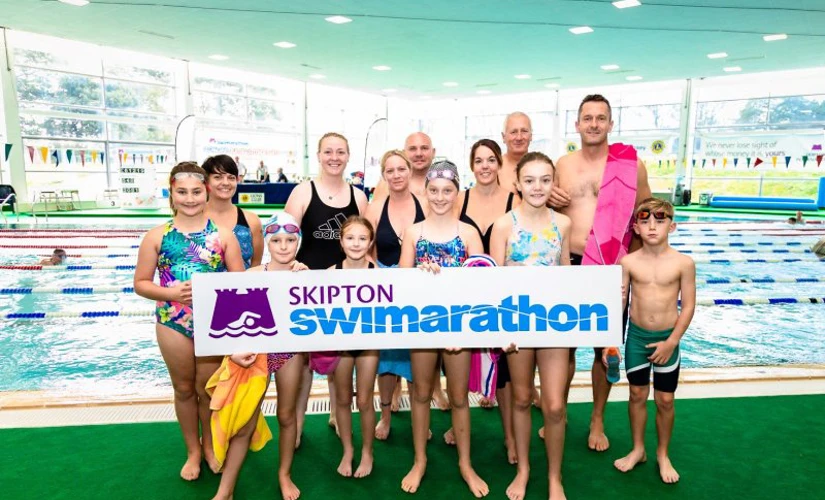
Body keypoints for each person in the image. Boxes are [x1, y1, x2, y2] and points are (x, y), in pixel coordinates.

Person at [550, 94, 652, 452]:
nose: (594, 124)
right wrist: (549, 198)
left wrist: (630, 271)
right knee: (562, 347)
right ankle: (557, 412)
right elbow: (541, 209)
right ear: (577, 125)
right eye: (587, 118)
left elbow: (645, 217)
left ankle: (597, 418)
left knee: (602, 349)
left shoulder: (630, 165)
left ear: (611, 124)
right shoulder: (563, 164)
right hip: (571, 264)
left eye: (601, 118)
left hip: (611, 267)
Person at [133, 162, 245, 480]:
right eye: (182, 192)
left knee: (207, 389)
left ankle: (209, 446)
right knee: (183, 389)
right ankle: (192, 451)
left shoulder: (223, 236)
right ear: (171, 193)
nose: (190, 198)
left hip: (214, 323)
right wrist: (169, 293)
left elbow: (239, 285)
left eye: (196, 191)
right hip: (172, 321)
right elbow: (140, 283)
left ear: (205, 192)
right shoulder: (157, 237)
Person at [398, 160, 488, 497]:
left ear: (458, 193)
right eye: (433, 190)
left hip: (460, 326)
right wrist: (420, 272)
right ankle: (420, 459)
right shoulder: (414, 232)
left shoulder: (469, 233)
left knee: (459, 396)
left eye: (447, 191)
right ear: (424, 191)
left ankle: (465, 463)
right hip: (423, 323)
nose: (439, 197)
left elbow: (483, 282)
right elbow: (401, 283)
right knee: (420, 393)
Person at [489, 152, 572, 500]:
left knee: (554, 405)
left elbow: (568, 275)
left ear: (554, 182)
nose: (537, 187)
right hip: (516, 327)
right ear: (517, 183)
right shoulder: (504, 226)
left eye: (545, 179)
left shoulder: (563, 224)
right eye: (530, 180)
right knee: (522, 399)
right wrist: (499, 331)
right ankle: (523, 469)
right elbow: (491, 283)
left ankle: (555, 477)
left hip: (554, 324)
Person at [210, 212, 308, 500]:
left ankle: (284, 474)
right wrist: (232, 352)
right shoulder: (251, 276)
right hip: (257, 353)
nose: (283, 246)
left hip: (289, 352)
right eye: (276, 240)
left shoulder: (304, 275)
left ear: (298, 243)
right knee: (246, 420)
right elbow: (225, 319)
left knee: (287, 416)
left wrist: (304, 279)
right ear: (267, 242)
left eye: (290, 240)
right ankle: (225, 489)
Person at [284, 132, 368, 445]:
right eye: (328, 151)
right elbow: (285, 238)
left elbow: (365, 242)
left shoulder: (358, 197)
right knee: (305, 359)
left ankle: (335, 411)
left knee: (341, 354)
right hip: (308, 287)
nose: (334, 157)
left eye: (341, 152)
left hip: (344, 287)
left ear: (348, 156)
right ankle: (299, 420)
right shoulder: (304, 192)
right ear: (319, 155)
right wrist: (288, 269)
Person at [611, 197, 695, 484]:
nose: (651, 226)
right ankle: (638, 449)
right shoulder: (629, 261)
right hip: (636, 338)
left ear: (672, 226)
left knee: (665, 400)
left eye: (659, 221)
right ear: (635, 227)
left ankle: (662, 453)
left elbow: (689, 307)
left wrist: (671, 342)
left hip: (667, 339)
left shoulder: (684, 263)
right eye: (645, 221)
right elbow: (620, 302)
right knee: (636, 395)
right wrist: (612, 340)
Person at [444, 139, 519, 461]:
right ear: (472, 165)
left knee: (505, 369)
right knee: (457, 360)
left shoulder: (515, 200)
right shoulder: (460, 199)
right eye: (479, 160)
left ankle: (510, 436)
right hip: (464, 292)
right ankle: (456, 424)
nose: (485, 166)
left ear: (499, 164)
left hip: (502, 290)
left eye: (491, 159)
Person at [364, 150, 426, 440]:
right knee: (386, 360)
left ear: (410, 170)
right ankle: (385, 415)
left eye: (402, 169)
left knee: (419, 356)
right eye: (391, 171)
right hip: (386, 290)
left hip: (421, 290)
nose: (397, 175)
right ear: (384, 175)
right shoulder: (375, 208)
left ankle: (420, 418)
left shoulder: (426, 202)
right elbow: (368, 253)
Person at [327, 215, 380, 478]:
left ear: (370, 242)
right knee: (343, 398)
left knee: (365, 399)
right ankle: (348, 449)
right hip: (342, 345)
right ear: (341, 241)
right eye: (350, 238)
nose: (356, 244)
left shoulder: (378, 274)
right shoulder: (330, 273)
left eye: (362, 238)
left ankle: (367, 451)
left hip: (369, 345)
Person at [203, 154, 264, 269]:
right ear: (206, 181)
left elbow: (256, 267)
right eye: (218, 177)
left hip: (240, 286)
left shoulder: (251, 221)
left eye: (231, 178)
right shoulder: (193, 217)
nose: (226, 183)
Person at [372, 132, 436, 201]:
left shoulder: (445, 181)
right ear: (404, 153)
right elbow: (375, 210)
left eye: (424, 148)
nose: (418, 154)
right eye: (412, 149)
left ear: (433, 152)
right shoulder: (387, 184)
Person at [499, 112, 533, 194]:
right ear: (503, 137)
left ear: (531, 136)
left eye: (524, 131)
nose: (519, 137)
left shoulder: (543, 167)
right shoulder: (494, 168)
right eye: (513, 132)